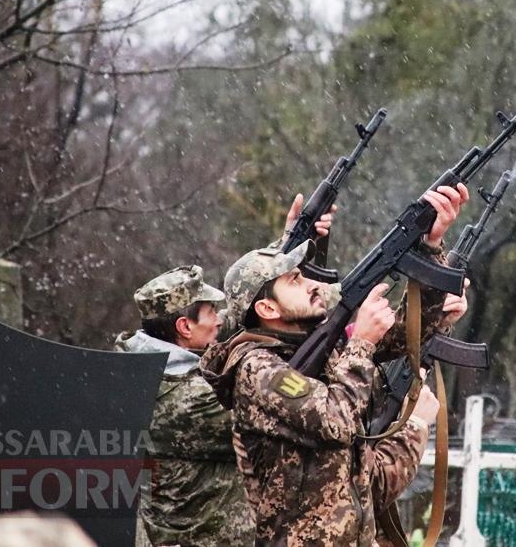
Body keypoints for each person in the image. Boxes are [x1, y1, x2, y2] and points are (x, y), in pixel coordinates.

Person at [200, 184, 469, 546]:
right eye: (294, 280)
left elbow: (408, 334)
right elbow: (334, 420)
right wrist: (362, 343)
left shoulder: (317, 352)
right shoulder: (256, 370)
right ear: (267, 310)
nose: (310, 284)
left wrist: (431, 245)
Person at [115, 264, 254, 547]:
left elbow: (233, 319)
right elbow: (275, 422)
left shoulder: (136, 366)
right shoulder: (187, 402)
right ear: (185, 326)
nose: (219, 320)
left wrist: (292, 240)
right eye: (211, 312)